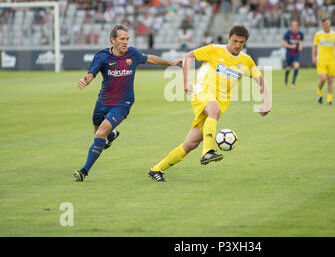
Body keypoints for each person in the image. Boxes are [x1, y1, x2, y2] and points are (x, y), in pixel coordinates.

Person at [148, 25, 271, 182]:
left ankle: (156, 169)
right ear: (229, 38)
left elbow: (262, 83)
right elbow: (188, 56)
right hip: (202, 92)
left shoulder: (246, 61)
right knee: (214, 109)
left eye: (241, 42)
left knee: (191, 143)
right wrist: (186, 83)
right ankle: (207, 151)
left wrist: (266, 102)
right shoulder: (214, 49)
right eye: (235, 41)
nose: (238, 45)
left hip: (217, 104)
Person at [74, 25, 182, 182]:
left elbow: (150, 58)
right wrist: (86, 79)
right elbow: (92, 73)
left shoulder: (133, 54)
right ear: (113, 40)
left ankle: (84, 170)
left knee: (100, 134)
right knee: (98, 132)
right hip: (103, 101)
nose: (125, 42)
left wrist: (170, 63)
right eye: (122, 39)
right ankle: (111, 136)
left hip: (123, 103)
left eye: (127, 39)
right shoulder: (102, 56)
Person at [312, 18, 335, 105]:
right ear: (322, 25)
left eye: (327, 23)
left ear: (330, 24)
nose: (326, 25)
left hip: (331, 61)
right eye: (324, 24)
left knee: (330, 80)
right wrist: (313, 57)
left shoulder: (334, 35)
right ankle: (319, 91)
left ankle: (329, 99)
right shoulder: (318, 35)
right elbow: (315, 46)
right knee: (323, 79)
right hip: (321, 60)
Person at [281, 20, 304, 88]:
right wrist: (290, 46)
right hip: (289, 53)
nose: (294, 27)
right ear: (291, 26)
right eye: (293, 25)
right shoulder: (288, 33)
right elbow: (282, 43)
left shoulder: (300, 33)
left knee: (296, 66)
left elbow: (302, 41)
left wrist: (301, 46)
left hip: (296, 53)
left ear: (297, 26)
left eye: (296, 25)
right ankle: (286, 81)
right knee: (288, 68)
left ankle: (293, 83)